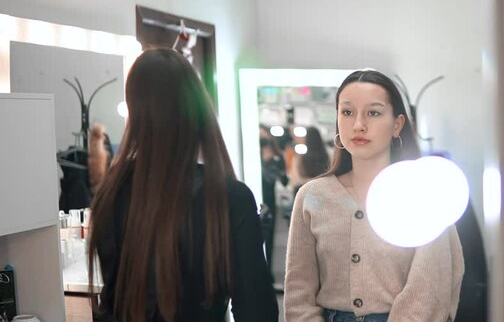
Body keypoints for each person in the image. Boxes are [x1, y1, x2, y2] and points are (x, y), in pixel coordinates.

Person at [87, 48, 278, 322]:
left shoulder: (111, 193)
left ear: (136, 113)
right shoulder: (229, 199)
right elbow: (257, 310)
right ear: (197, 111)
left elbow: (112, 300)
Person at [284, 70, 464, 322]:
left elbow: (430, 288)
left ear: (397, 124)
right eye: (347, 112)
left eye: (373, 112)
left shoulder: (424, 194)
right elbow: (298, 293)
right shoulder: (313, 196)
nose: (358, 125)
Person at [259, 124, 289, 271]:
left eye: (264, 138)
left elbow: (283, 180)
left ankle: (267, 268)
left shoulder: (276, 157)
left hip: (269, 198)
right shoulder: (253, 155)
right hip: (257, 196)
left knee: (270, 236)